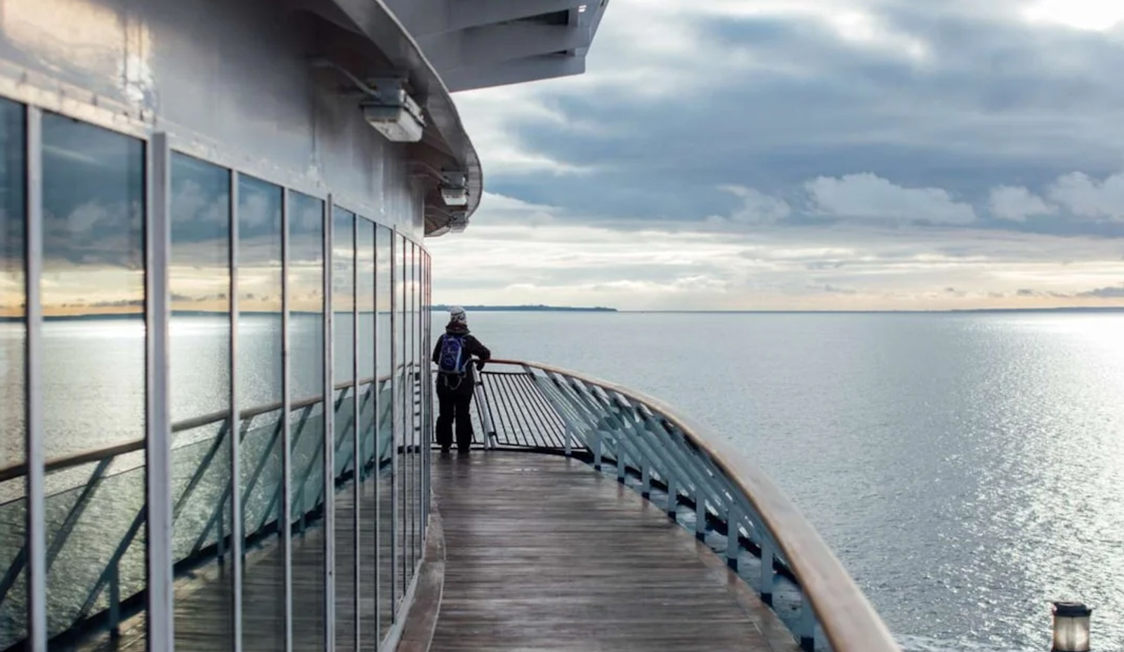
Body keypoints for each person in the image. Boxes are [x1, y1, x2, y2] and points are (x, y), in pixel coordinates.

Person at [432, 306, 491, 454]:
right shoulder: (468, 339)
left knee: (445, 414)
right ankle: (463, 447)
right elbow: (485, 353)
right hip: (463, 384)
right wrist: (479, 364)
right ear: (464, 319)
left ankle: (445, 445)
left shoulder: (443, 338)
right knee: (463, 414)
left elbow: (435, 358)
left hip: (444, 383)